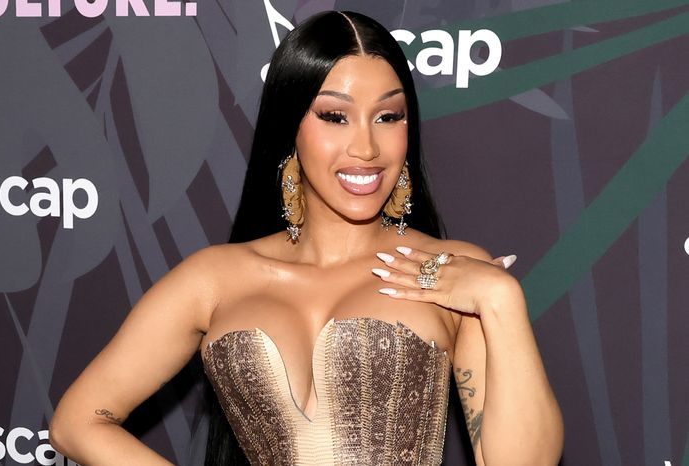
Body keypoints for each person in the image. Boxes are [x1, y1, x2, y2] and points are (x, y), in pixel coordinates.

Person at [49, 10, 563, 466]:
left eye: (388, 116)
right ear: (290, 124)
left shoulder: (452, 273)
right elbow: (77, 423)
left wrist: (500, 298)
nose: (366, 146)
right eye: (335, 116)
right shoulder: (214, 279)